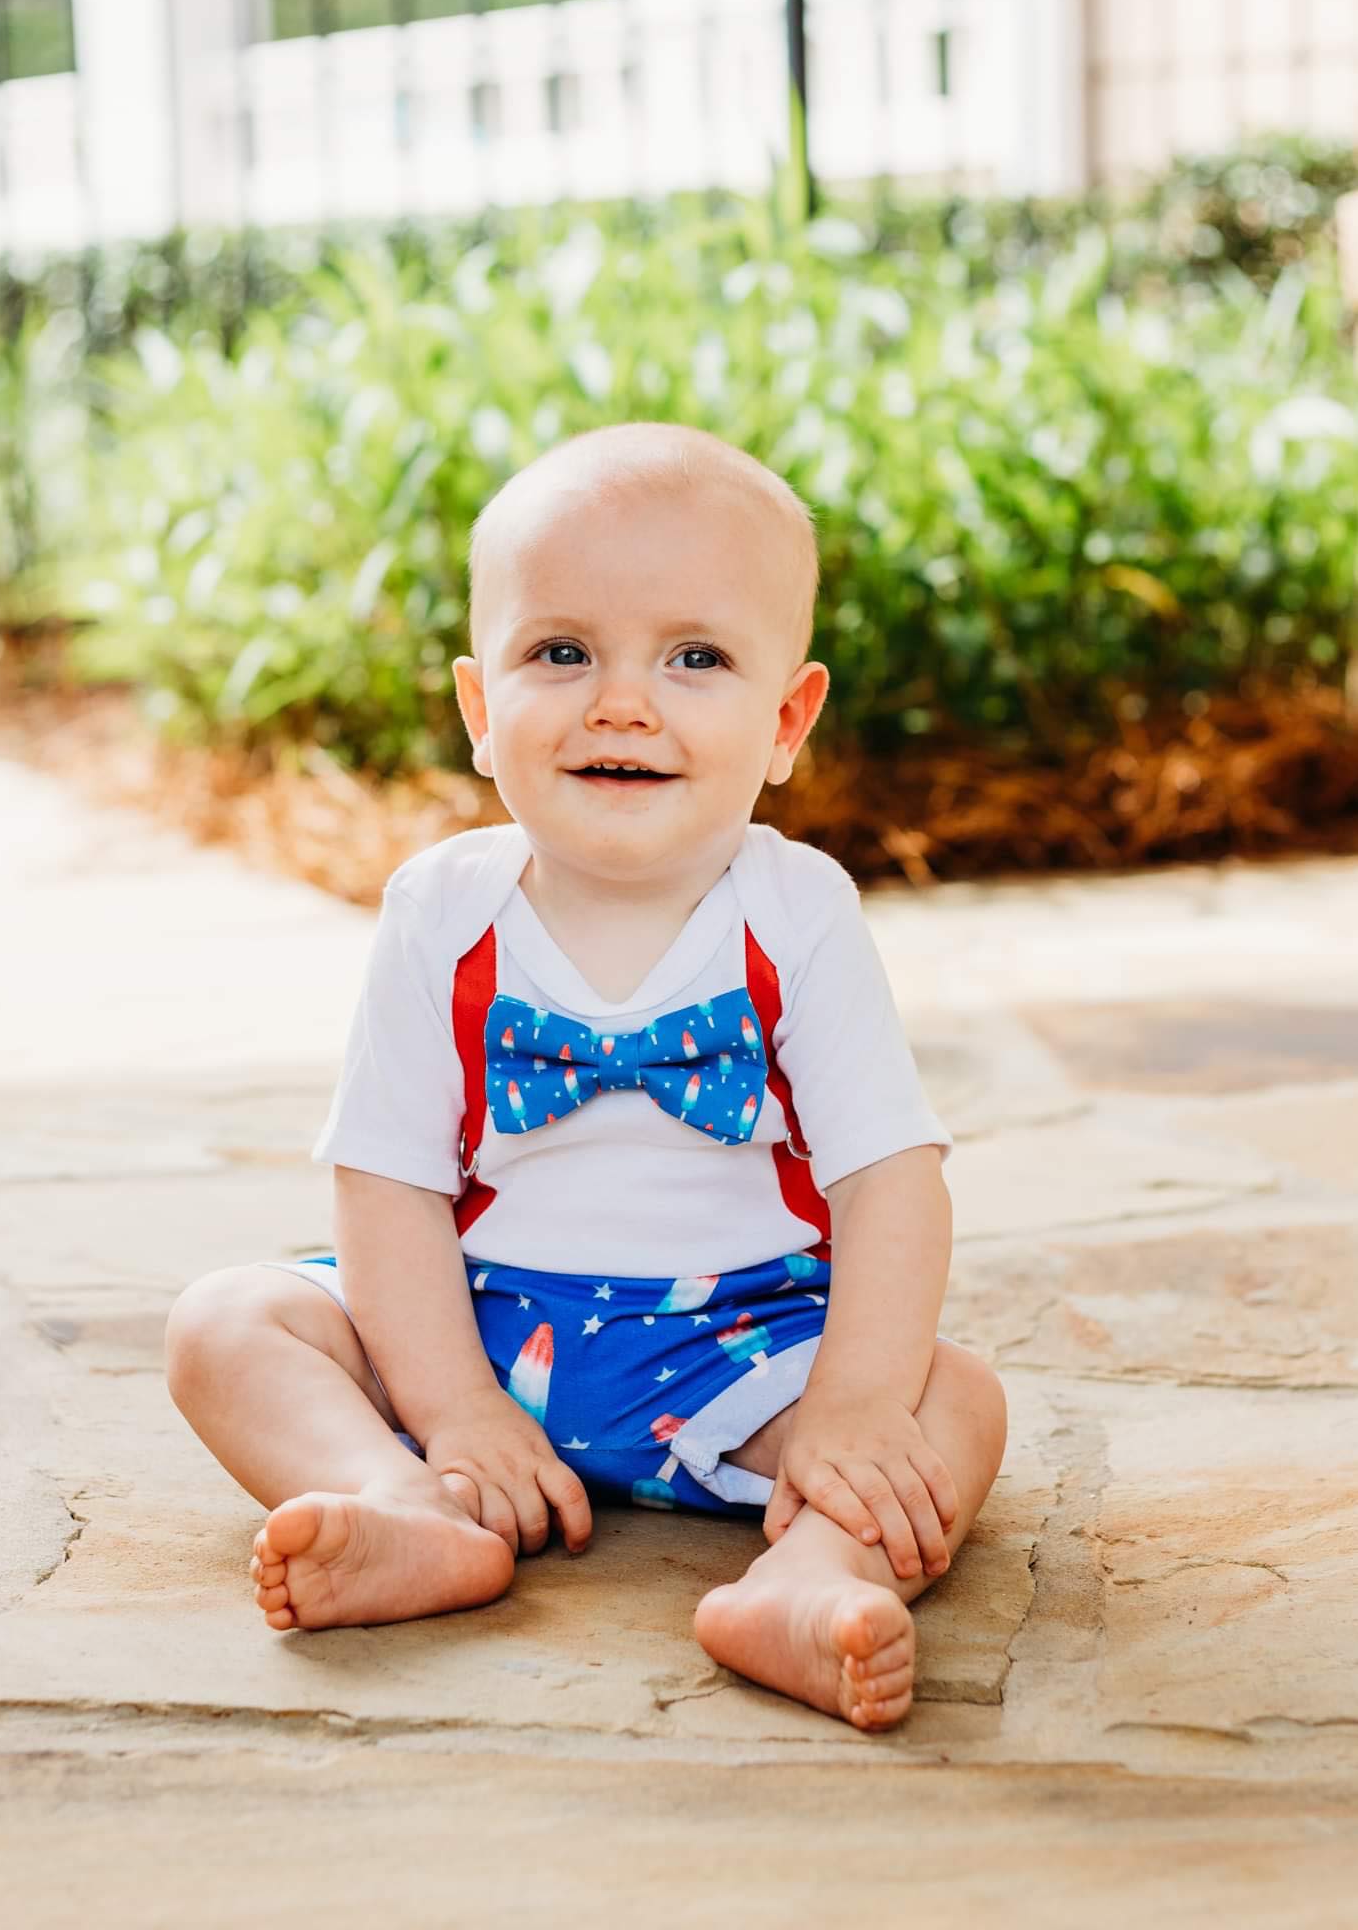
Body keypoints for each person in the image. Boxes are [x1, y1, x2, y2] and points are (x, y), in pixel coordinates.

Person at [165, 422, 1007, 1732]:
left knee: (951, 1401)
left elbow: (891, 1181)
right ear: (479, 710)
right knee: (225, 1322)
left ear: (786, 720)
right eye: (561, 652)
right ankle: (404, 1513)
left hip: (735, 1350)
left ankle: (806, 1579)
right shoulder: (443, 910)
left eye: (695, 657)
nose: (623, 701)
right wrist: (449, 1411)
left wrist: (842, 1403)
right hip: (475, 1325)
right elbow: (384, 1183)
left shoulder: (797, 912)